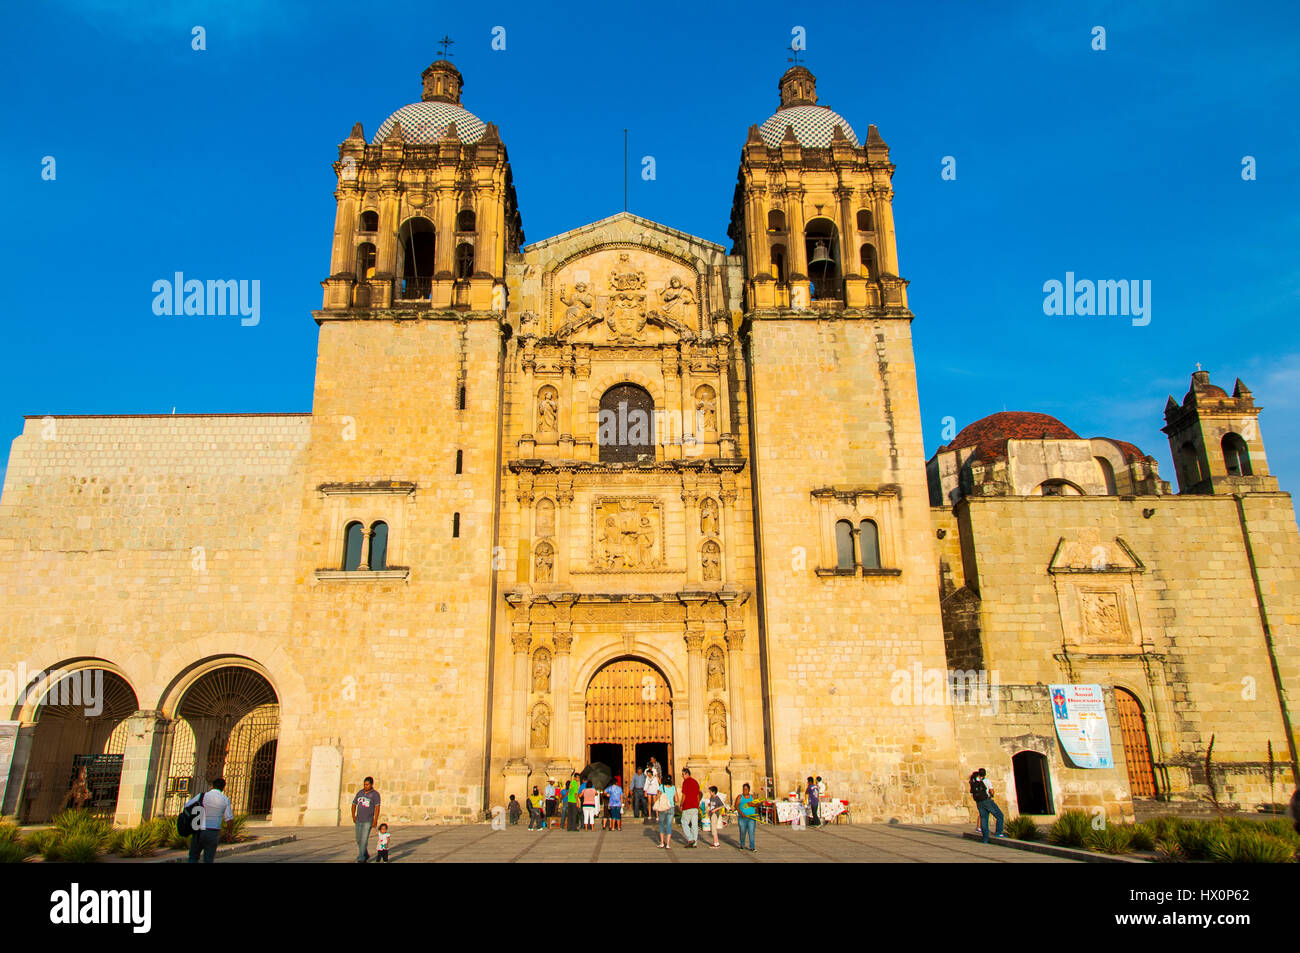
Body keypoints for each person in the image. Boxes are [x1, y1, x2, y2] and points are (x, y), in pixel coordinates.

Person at [183, 777, 234, 864]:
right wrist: (229, 833)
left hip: (199, 830)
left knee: (193, 857)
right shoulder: (225, 799)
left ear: (212, 786)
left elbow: (186, 806)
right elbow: (229, 819)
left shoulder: (202, 796)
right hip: (213, 832)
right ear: (223, 788)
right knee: (208, 859)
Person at [351, 776, 381, 863]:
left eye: (367, 784)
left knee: (364, 839)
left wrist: (375, 820)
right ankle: (365, 854)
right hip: (359, 819)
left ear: (371, 784)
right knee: (358, 839)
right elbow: (354, 804)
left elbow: (377, 807)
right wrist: (353, 815)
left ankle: (361, 859)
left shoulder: (375, 794)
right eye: (364, 784)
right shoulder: (360, 792)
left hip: (368, 820)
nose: (366, 786)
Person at [970, 768, 1005, 843]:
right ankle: (999, 833)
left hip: (979, 802)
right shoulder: (987, 781)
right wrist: (992, 795)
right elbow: (992, 791)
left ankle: (985, 838)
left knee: (984, 818)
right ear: (985, 774)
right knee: (999, 816)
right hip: (987, 800)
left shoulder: (974, 780)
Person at [679, 767, 701, 847]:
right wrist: (697, 804)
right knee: (694, 825)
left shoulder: (686, 782)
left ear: (687, 774)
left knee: (684, 822)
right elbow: (698, 794)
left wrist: (681, 804)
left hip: (687, 806)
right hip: (695, 805)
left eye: (683, 775)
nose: (682, 776)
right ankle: (695, 843)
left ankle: (690, 838)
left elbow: (684, 795)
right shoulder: (695, 782)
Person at [734, 782, 757, 852]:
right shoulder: (740, 797)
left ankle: (752, 847)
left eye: (746, 789)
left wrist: (753, 804)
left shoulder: (752, 797)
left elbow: (757, 805)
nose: (745, 791)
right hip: (742, 818)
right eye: (744, 789)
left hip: (751, 818)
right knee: (742, 832)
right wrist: (741, 813)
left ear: (749, 790)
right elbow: (736, 806)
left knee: (751, 832)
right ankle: (742, 845)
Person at [656, 773, 677, 849]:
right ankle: (668, 844)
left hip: (663, 807)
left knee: (661, 824)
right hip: (671, 807)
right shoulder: (673, 787)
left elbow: (658, 797)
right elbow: (676, 799)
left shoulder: (661, 787)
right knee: (669, 825)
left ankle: (662, 843)